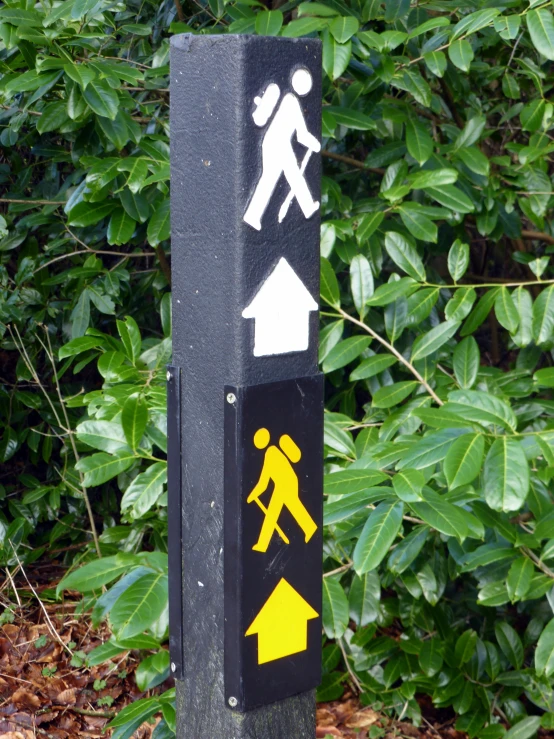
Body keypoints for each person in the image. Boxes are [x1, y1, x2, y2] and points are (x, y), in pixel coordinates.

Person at [243, 68, 321, 231]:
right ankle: (306, 207)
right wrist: (314, 144)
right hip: (278, 144)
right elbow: (302, 135)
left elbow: (300, 134)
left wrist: (312, 142)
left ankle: (253, 216)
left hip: (274, 143)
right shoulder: (291, 101)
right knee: (290, 175)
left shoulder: (289, 99)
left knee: (273, 178)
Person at [247, 427, 317, 553]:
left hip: (285, 484)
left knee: (272, 514)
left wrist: (253, 494)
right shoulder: (272, 451)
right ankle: (310, 528)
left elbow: (264, 482)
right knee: (292, 508)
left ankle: (262, 544)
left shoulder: (271, 453)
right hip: (286, 483)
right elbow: (264, 481)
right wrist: (253, 494)